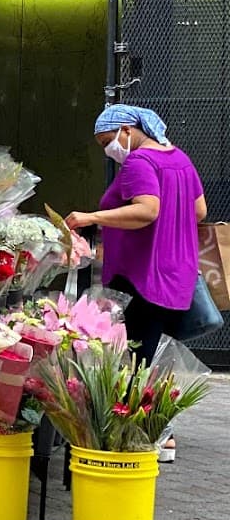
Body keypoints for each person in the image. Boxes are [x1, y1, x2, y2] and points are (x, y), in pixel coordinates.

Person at [66, 104, 207, 460]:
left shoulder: (139, 162)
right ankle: (158, 432)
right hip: (175, 271)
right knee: (150, 352)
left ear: (127, 130)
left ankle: (147, 435)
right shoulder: (180, 159)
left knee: (136, 358)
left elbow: (147, 209)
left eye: (107, 141)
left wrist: (91, 217)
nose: (108, 150)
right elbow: (199, 210)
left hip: (144, 274)